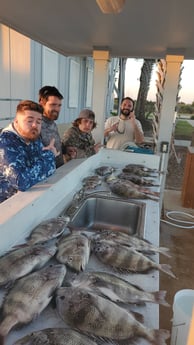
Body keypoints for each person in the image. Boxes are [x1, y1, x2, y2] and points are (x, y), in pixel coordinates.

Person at [0, 100, 58, 203]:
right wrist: (49, 156)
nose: (35, 125)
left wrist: (47, 156)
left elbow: (50, 168)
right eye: (29, 121)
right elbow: (22, 182)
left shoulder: (32, 136)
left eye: (39, 121)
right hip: (8, 209)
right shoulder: (5, 143)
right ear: (16, 121)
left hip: (31, 200)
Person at [39, 85, 64, 168]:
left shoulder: (53, 123)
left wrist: (66, 149)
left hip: (59, 173)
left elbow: (55, 146)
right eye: (53, 104)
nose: (57, 109)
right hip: (47, 178)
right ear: (42, 103)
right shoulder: (36, 126)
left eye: (59, 105)